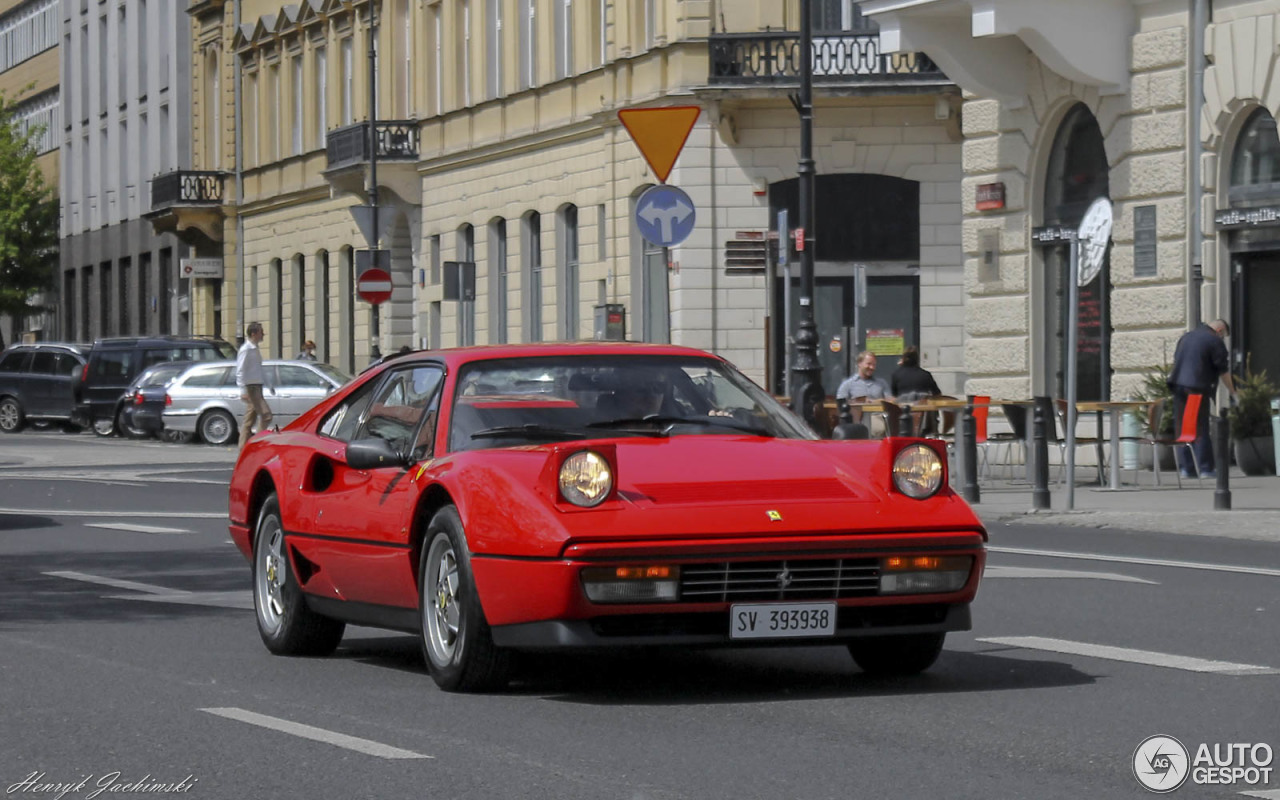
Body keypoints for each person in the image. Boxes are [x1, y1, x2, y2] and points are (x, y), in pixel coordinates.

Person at [1167, 318, 1237, 478]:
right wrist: (1233, 392)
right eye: (1224, 336)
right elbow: (1223, 371)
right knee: (1199, 427)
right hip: (1195, 387)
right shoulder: (1214, 341)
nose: (1222, 339)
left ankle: (1186, 468)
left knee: (1183, 427)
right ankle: (1205, 468)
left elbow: (1177, 359)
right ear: (1219, 331)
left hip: (1178, 386)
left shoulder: (1187, 336)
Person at [236, 322, 275, 449]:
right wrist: (243, 390)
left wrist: (269, 385)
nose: (263, 334)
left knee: (249, 420)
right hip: (251, 387)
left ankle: (243, 448)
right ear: (254, 334)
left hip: (257, 386)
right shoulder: (246, 349)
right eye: (260, 332)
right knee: (266, 415)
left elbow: (260, 369)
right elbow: (240, 370)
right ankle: (258, 443)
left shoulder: (255, 349)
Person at [836, 351, 893, 436]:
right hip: (856, 422)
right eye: (869, 364)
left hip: (878, 419)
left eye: (874, 365)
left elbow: (890, 400)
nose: (872, 367)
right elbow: (840, 403)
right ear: (859, 363)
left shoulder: (881, 383)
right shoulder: (848, 384)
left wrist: (874, 402)